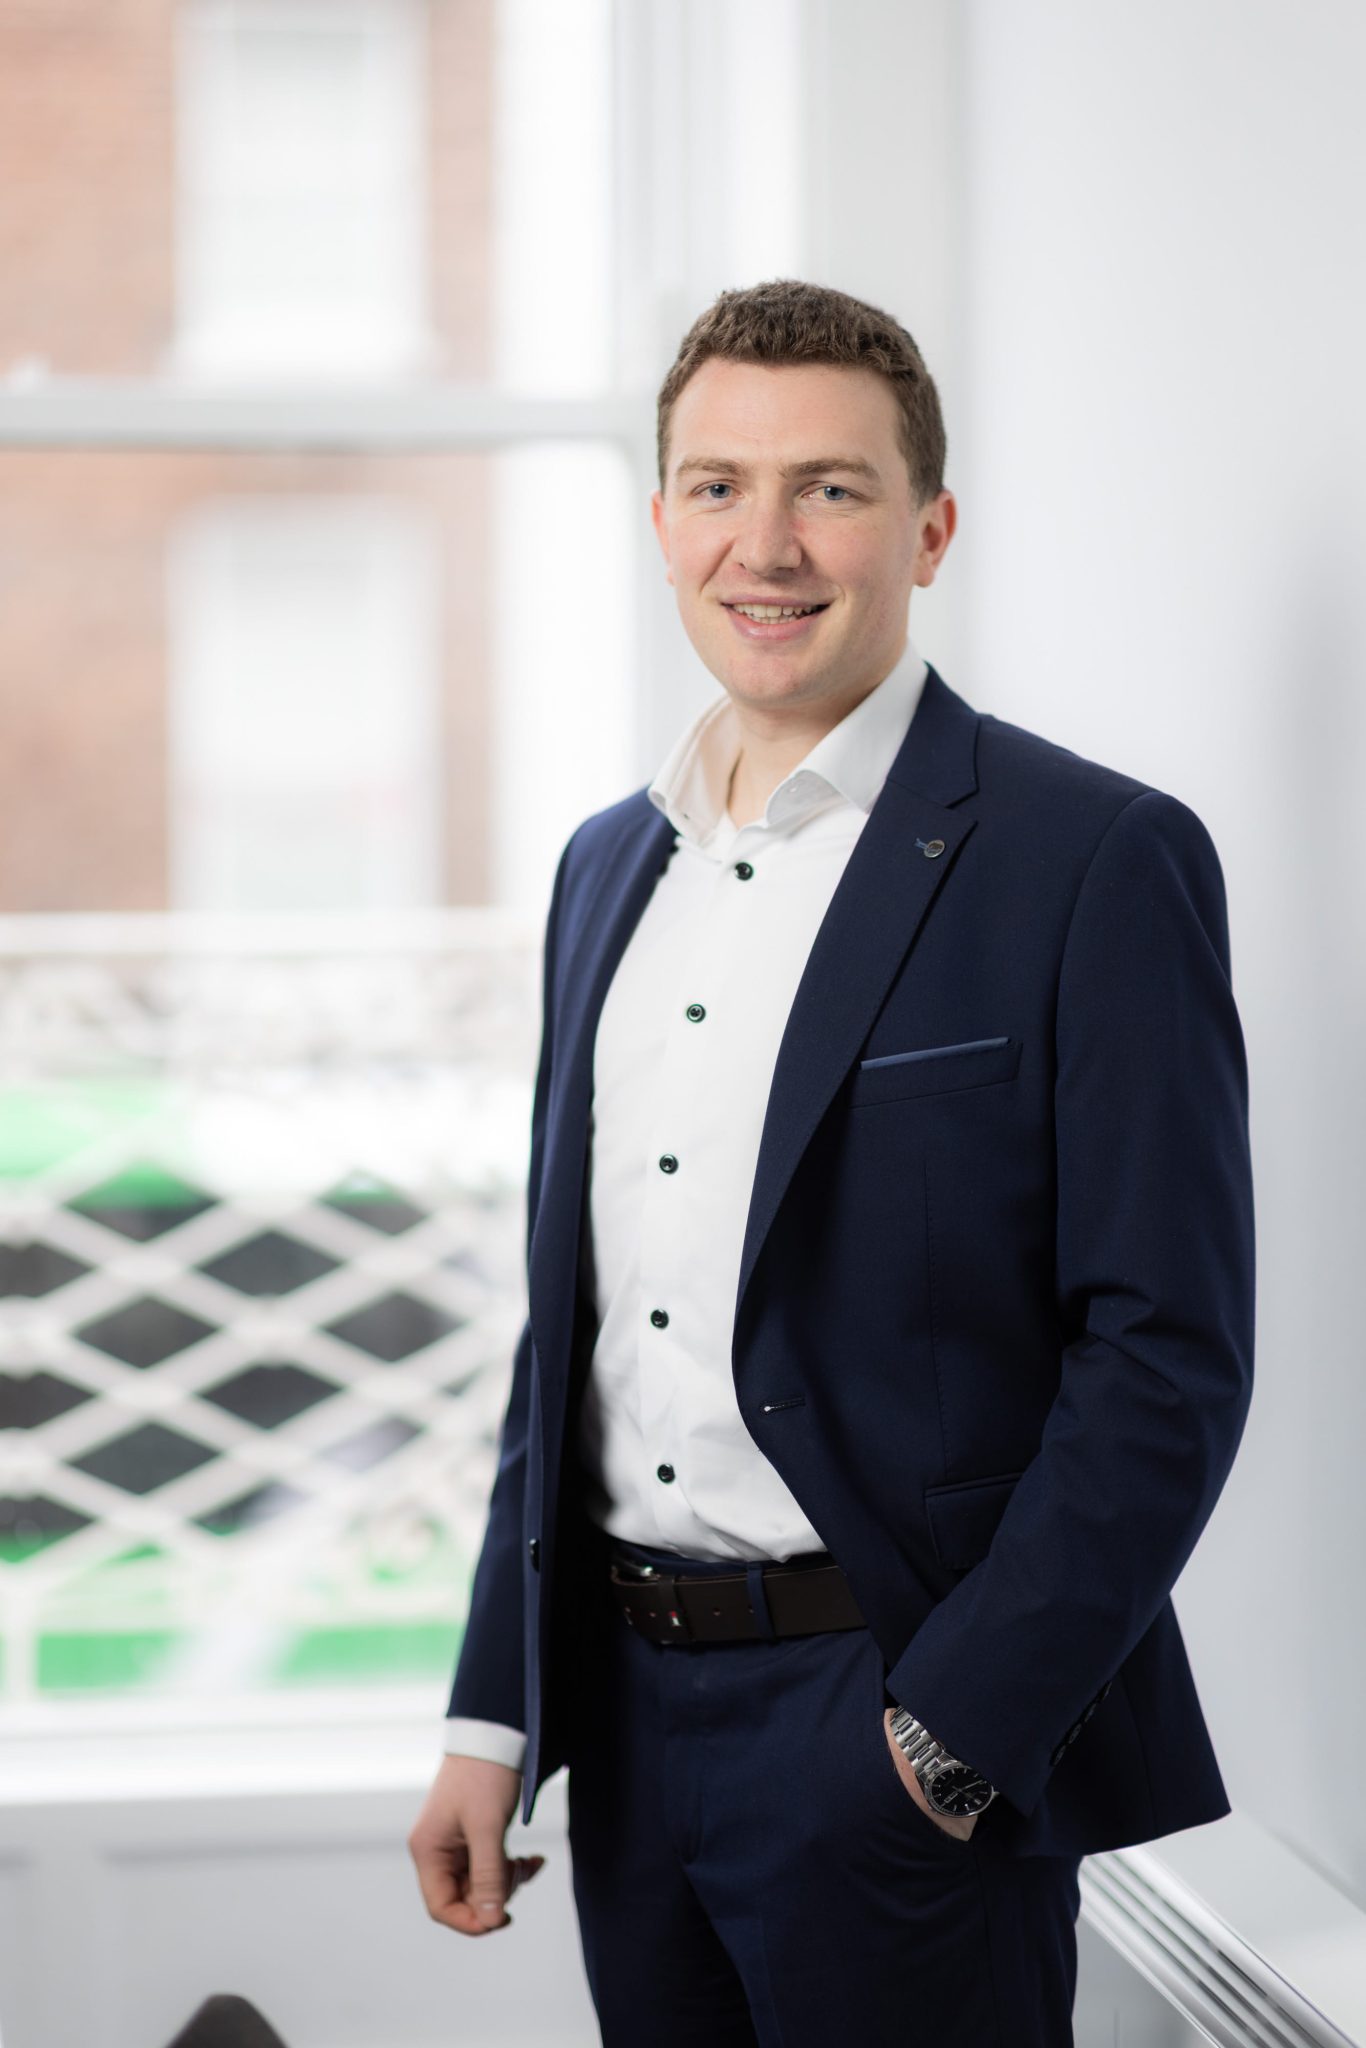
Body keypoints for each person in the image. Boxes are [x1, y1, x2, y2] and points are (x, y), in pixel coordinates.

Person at [407, 279, 1256, 2045]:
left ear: (928, 531)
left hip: (889, 1731)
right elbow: (571, 1341)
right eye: (718, 485)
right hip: (623, 1731)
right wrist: (495, 1716)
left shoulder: (1090, 858)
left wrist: (946, 1740)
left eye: (831, 489)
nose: (767, 543)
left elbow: (1164, 1355)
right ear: (661, 523)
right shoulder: (601, 870)